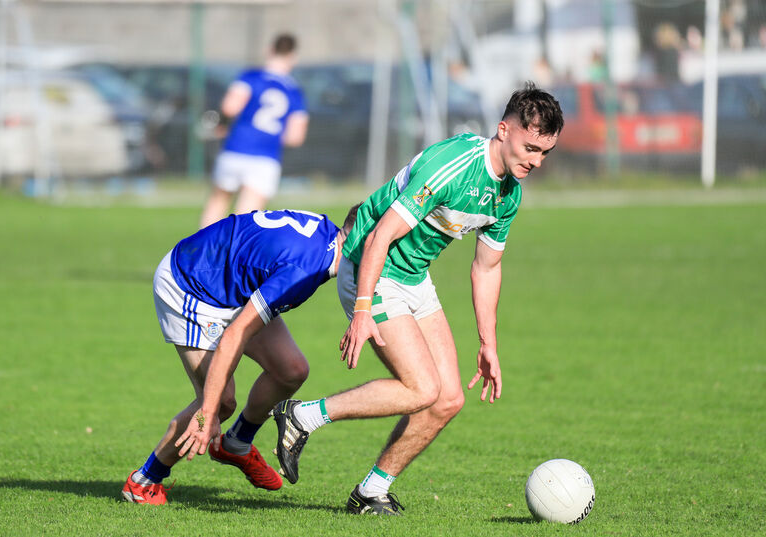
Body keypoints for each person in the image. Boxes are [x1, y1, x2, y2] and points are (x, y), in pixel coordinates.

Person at [270, 82, 564, 515]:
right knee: (421, 387)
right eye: (530, 147)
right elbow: (380, 235)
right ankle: (302, 416)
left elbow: (487, 267)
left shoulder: (507, 196)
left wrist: (488, 344)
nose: (535, 161)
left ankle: (371, 491)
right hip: (371, 264)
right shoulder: (452, 166)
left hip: (413, 276)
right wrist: (363, 309)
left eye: (544, 153)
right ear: (504, 129)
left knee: (447, 399)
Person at [121, 205, 359, 504]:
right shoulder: (306, 268)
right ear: (358, 243)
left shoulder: (330, 238)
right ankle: (144, 481)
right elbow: (235, 334)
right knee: (219, 402)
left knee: (291, 370)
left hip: (233, 285)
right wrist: (207, 411)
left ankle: (236, 443)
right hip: (193, 285)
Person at [199, 33, 308, 228]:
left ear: (270, 50)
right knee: (245, 219)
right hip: (265, 158)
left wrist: (224, 125)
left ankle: (201, 252)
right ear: (293, 57)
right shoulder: (294, 91)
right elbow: (295, 137)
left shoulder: (251, 76)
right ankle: (232, 257)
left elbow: (230, 107)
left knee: (218, 202)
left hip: (236, 148)